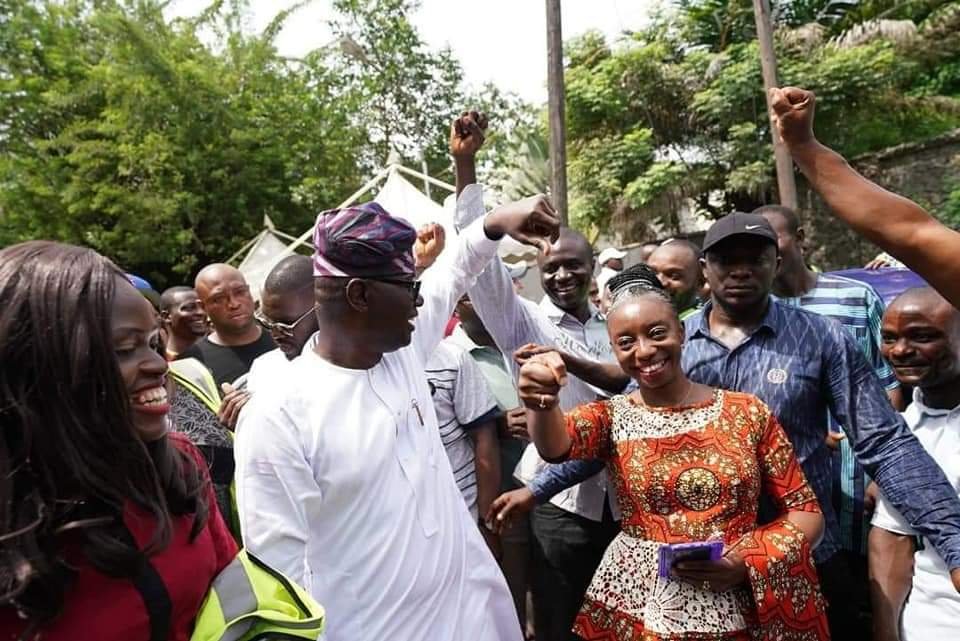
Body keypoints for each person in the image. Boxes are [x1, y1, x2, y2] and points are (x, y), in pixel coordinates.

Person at [234, 180, 559, 641]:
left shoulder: (400, 355)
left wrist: (496, 221)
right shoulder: (279, 415)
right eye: (407, 285)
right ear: (360, 296)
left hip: (471, 614)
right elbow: (276, 577)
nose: (420, 298)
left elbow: (455, 272)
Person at [681, 211, 960, 637]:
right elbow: (618, 431)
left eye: (754, 257)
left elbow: (885, 443)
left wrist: (953, 544)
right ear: (705, 269)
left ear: (776, 262)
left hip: (805, 551)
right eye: (725, 259)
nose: (740, 269)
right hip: (705, 558)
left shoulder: (821, 337)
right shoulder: (673, 344)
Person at [516, 264, 828, 640]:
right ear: (614, 349)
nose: (644, 351)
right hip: (639, 604)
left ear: (681, 332)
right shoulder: (612, 418)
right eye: (626, 342)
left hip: (739, 597)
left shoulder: (746, 412)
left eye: (656, 333)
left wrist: (748, 561)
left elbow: (804, 511)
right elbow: (555, 447)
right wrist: (542, 403)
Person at [0, 241, 238, 640]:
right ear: (32, 369)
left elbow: (232, 595)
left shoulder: (179, 468)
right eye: (125, 349)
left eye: (152, 343)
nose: (159, 365)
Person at [453, 113, 621, 641]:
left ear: (592, 268)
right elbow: (474, 263)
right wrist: (465, 165)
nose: (563, 274)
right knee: (557, 620)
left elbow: (630, 388)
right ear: (537, 271)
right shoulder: (523, 321)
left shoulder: (623, 328)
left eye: (574, 265)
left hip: (626, 498)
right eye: (551, 267)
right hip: (557, 505)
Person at [770, 85, 960, 310]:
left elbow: (913, 234)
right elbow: (912, 234)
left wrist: (802, 145)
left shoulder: (859, 298)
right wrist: (802, 145)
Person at [870, 287, 960, 641]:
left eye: (923, 336)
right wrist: (886, 633)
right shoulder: (901, 435)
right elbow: (894, 539)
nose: (901, 351)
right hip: (930, 625)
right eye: (890, 338)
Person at [449, 294, 533, 632]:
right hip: (501, 503)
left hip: (554, 499)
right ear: (456, 305)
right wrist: (493, 426)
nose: (491, 295)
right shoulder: (449, 360)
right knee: (509, 601)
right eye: (474, 292)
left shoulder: (525, 341)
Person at [180, 264, 276, 388]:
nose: (234, 304)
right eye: (219, 299)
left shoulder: (285, 342)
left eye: (240, 292)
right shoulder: (192, 364)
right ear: (203, 307)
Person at [646, 238, 704, 319]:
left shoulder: (699, 325)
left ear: (700, 280)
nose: (659, 281)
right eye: (652, 273)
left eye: (674, 276)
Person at [160, 286, 208, 360]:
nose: (200, 312)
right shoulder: (159, 362)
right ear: (166, 316)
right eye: (189, 308)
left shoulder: (220, 355)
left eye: (202, 307)